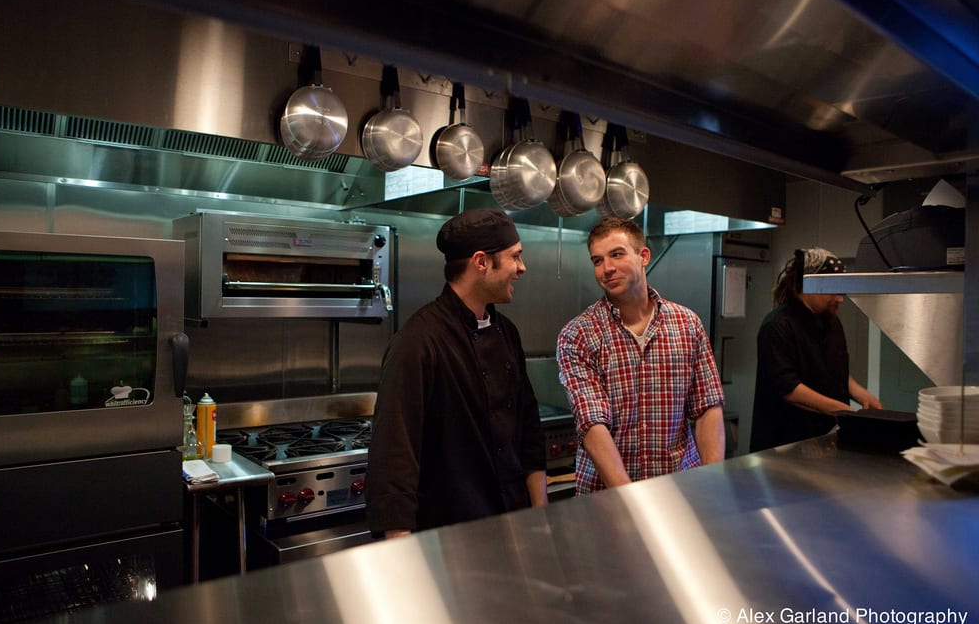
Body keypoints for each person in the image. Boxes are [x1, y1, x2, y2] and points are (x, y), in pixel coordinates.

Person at [366, 208, 547, 538]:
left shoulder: (507, 332)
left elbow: (530, 431)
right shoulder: (418, 342)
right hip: (448, 534)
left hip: (513, 522)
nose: (522, 268)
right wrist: (401, 553)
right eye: (515, 257)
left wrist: (540, 519)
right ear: (481, 262)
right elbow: (394, 457)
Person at [556, 217, 725, 494]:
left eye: (617, 254)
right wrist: (630, 499)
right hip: (608, 499)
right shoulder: (578, 334)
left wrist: (713, 480)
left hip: (680, 490)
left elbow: (707, 407)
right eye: (597, 261)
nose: (606, 268)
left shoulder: (687, 324)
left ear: (644, 256)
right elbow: (592, 423)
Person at [751, 247, 882, 452]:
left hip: (825, 441)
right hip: (784, 446)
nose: (840, 298)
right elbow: (790, 389)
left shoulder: (831, 322)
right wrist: (845, 411)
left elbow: (836, 371)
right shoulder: (777, 326)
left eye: (841, 290)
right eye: (832, 289)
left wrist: (862, 395)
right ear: (805, 286)